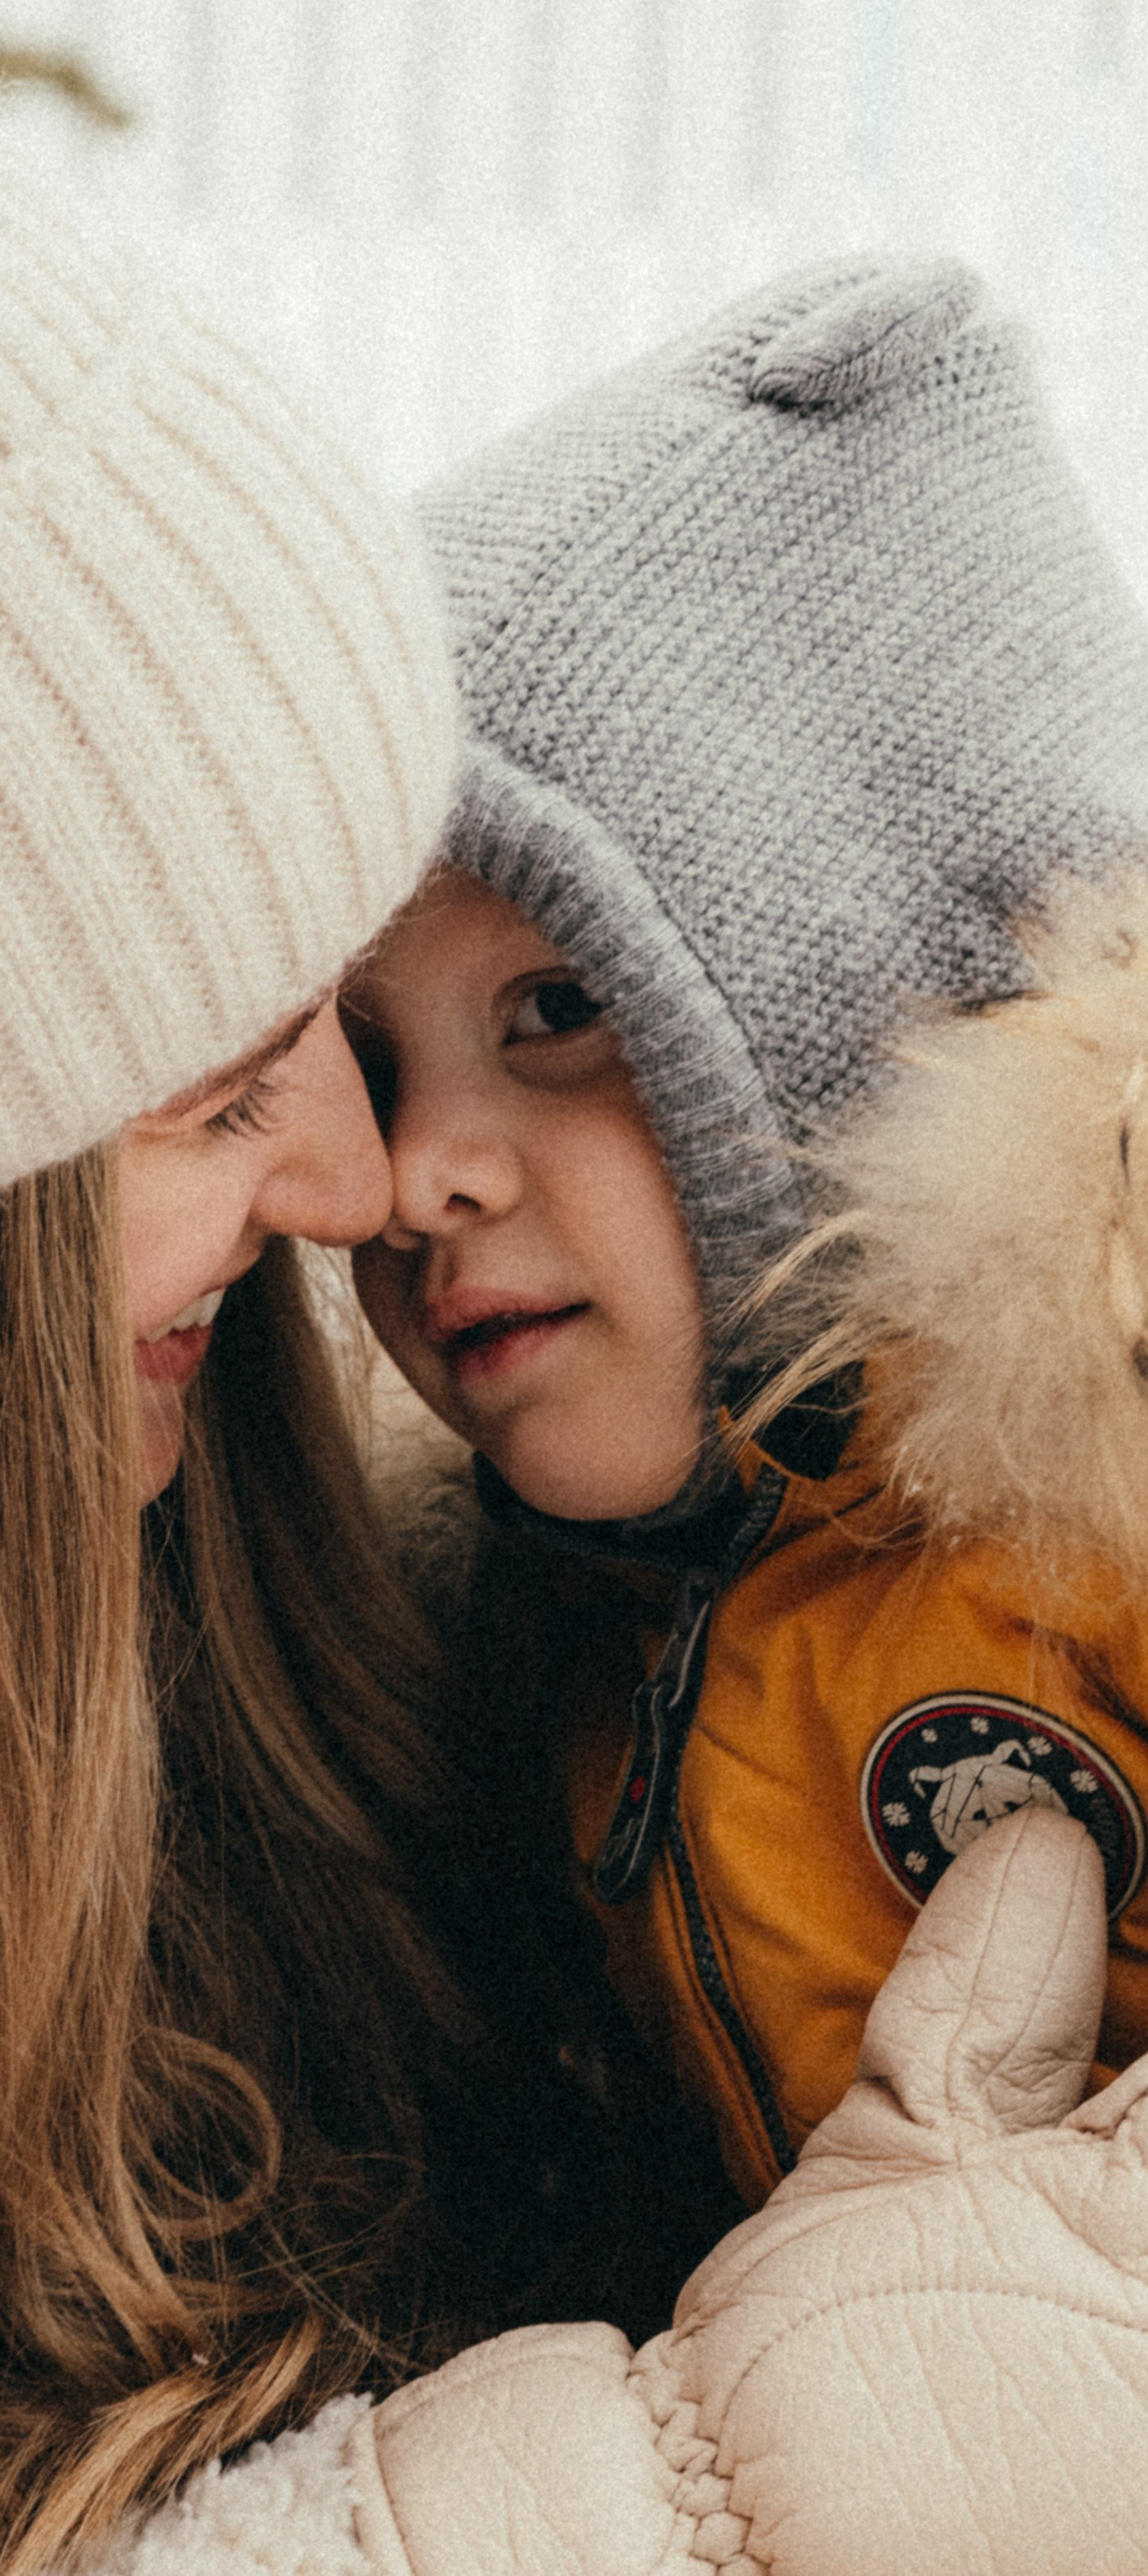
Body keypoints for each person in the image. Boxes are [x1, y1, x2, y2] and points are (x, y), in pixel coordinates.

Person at [0, 19, 1148, 2570]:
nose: (360, 1183)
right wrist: (750, 2490)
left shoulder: (336, 1641)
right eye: (231, 1073)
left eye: (536, 1016)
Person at [345, 256, 1148, 2206]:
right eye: (369, 1068)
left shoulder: (1105, 1512)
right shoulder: (551, 1632)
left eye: (558, 1013)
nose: (414, 1175)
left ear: (870, 997)